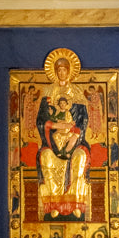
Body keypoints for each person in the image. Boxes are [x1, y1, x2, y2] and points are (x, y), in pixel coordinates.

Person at [36, 51, 90, 220]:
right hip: (52, 142)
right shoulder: (48, 92)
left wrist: (75, 136)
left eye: (64, 70)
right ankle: (54, 204)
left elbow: (83, 120)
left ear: (69, 71)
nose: (61, 73)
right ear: (55, 72)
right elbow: (41, 120)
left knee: (80, 157)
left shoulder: (76, 92)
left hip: (74, 141)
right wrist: (55, 125)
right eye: (58, 70)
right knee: (46, 157)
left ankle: (75, 204)